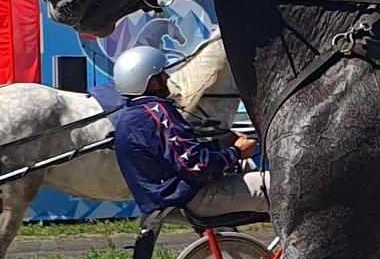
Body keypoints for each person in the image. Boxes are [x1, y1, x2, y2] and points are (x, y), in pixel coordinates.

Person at [106, 44, 266, 219]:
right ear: (151, 82)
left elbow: (177, 154)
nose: (167, 77)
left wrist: (220, 143)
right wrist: (235, 153)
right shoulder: (158, 111)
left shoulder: (131, 115)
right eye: (161, 75)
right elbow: (196, 167)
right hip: (193, 198)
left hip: (164, 200)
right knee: (284, 186)